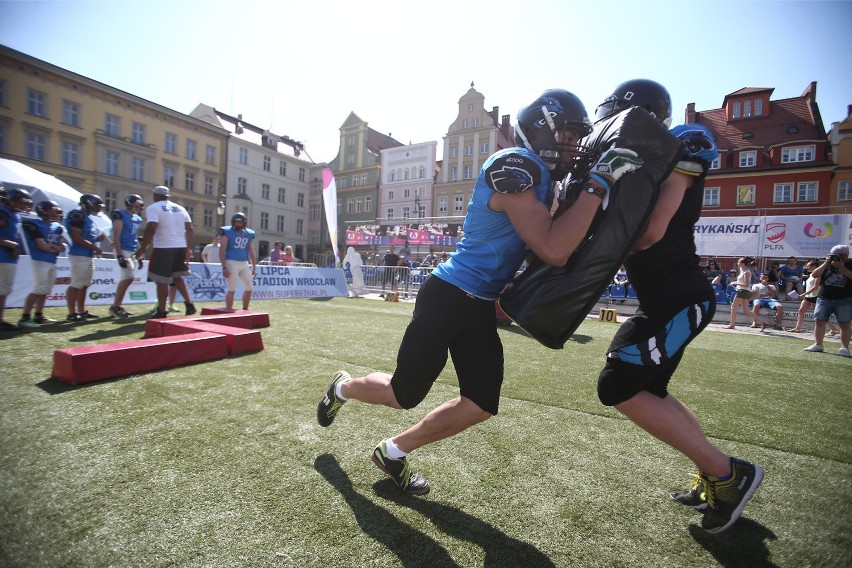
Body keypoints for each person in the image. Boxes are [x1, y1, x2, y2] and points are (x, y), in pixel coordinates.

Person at [316, 89, 641, 496]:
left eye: (578, 138)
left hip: (481, 305)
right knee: (403, 395)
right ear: (541, 128)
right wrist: (597, 184)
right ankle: (342, 387)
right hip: (450, 294)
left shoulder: (543, 177)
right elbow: (555, 249)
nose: (573, 147)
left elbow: (563, 240)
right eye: (569, 136)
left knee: (481, 402)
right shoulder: (515, 165)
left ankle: (392, 451)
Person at [592, 79, 762, 534]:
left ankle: (729, 472)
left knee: (617, 384)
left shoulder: (679, 148)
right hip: (670, 297)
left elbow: (651, 233)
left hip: (678, 297)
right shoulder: (646, 159)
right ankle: (713, 473)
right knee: (654, 391)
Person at [134, 186, 196, 318]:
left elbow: (151, 227)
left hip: (164, 247)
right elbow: (190, 229)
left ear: (155, 195)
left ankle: (162, 311)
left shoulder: (153, 208)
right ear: (168, 196)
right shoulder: (180, 208)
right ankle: (189, 304)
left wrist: (142, 247)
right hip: (180, 246)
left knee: (161, 280)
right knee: (177, 277)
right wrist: (189, 248)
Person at [18, 200, 65, 328]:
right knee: (39, 288)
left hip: (51, 261)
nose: (55, 214)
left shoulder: (57, 227)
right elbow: (41, 246)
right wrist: (51, 247)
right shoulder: (33, 223)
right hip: (40, 260)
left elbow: (61, 247)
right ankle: (25, 317)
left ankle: (39, 315)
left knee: (46, 289)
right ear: (43, 211)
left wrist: (51, 247)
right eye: (52, 211)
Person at [803, 244, 852, 357]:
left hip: (844, 298)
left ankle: (844, 348)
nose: (836, 257)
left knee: (844, 323)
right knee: (819, 321)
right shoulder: (826, 264)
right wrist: (826, 263)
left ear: (845, 255)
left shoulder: (850, 264)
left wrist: (841, 267)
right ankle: (818, 344)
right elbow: (814, 275)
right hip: (824, 297)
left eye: (839, 255)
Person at [64, 193, 106, 322]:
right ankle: (71, 313)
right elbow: (76, 237)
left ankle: (81, 311)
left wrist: (98, 239)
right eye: (97, 205)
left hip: (86, 255)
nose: (99, 208)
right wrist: (94, 247)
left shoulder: (87, 217)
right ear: (88, 203)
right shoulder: (77, 215)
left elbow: (86, 237)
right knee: (76, 284)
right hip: (79, 254)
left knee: (84, 285)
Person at [0, 187, 33, 331]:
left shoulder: (13, 214)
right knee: (2, 289)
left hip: (8, 256)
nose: (25, 205)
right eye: (21, 202)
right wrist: (7, 243)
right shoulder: (3, 212)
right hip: (3, 256)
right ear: (11, 201)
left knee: (4, 289)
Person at [107, 194, 144, 318]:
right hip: (122, 249)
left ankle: (116, 306)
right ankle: (115, 307)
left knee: (127, 278)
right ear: (130, 203)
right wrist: (119, 255)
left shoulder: (137, 219)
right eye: (136, 203)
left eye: (139, 204)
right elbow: (116, 237)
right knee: (128, 278)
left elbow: (134, 237)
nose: (138, 206)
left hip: (131, 250)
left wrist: (139, 253)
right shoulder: (120, 214)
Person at [787, 259, 839, 335]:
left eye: (808, 266)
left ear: (814, 266)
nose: (807, 268)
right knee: (801, 311)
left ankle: (833, 329)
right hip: (808, 296)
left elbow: (815, 287)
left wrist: (803, 294)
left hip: (815, 296)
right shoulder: (810, 275)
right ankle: (797, 328)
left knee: (820, 314)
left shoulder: (819, 274)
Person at [219, 212, 257, 310]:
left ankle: (245, 309)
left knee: (249, 288)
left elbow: (251, 251)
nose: (238, 224)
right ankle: (228, 311)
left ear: (244, 223)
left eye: (240, 222)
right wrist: (224, 267)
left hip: (244, 263)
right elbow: (222, 251)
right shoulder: (227, 231)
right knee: (232, 289)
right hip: (231, 262)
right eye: (236, 222)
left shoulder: (249, 233)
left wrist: (254, 267)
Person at [726, 257, 753, 329]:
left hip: (742, 291)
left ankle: (732, 324)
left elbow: (747, 284)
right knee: (746, 310)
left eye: (739, 262)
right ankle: (762, 322)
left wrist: (735, 283)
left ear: (743, 263)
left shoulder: (746, 272)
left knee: (734, 307)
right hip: (742, 290)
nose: (738, 264)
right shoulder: (742, 271)